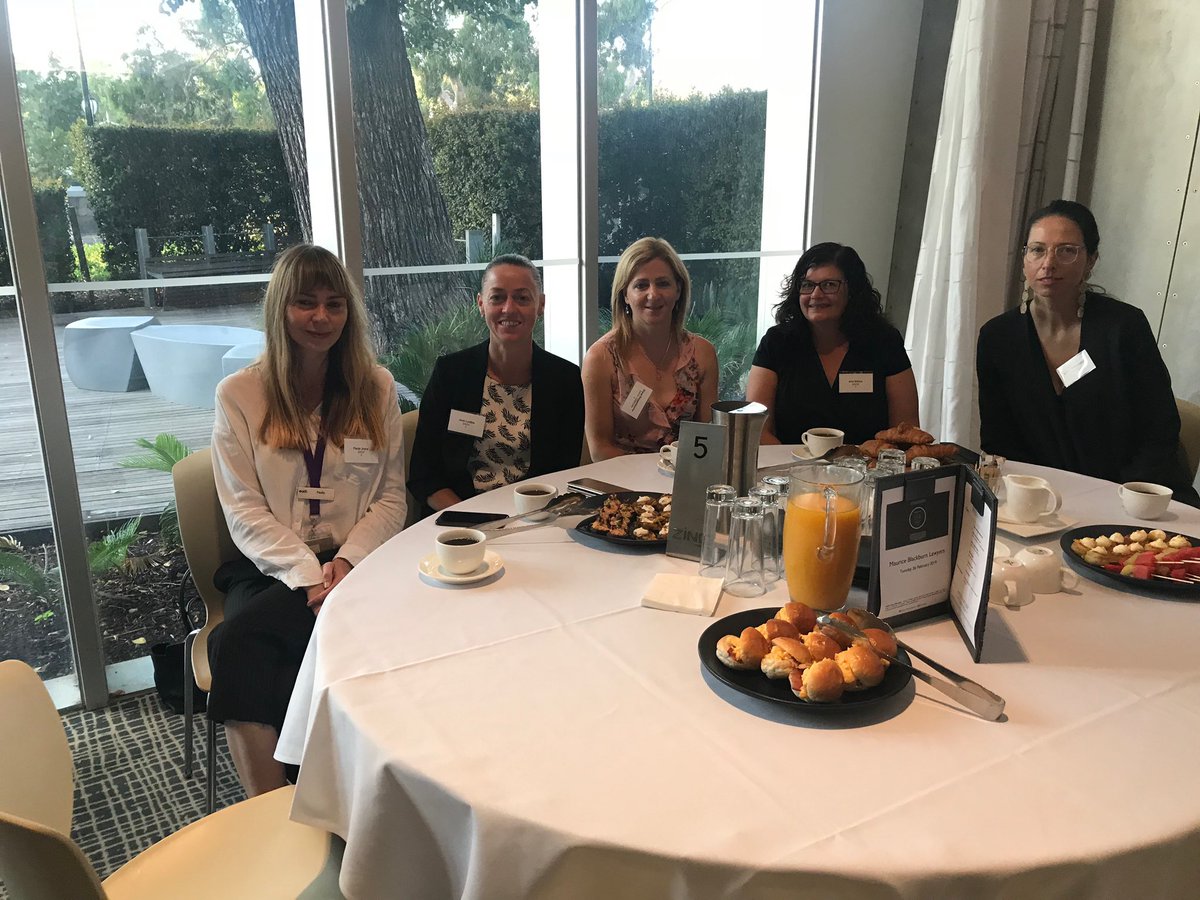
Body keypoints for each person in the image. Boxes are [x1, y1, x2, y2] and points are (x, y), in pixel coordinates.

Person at [208, 244, 407, 796]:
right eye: (305, 303)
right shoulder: (240, 395)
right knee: (241, 641)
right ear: (280, 310)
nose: (321, 318)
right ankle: (269, 807)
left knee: (322, 640)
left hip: (359, 560)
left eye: (334, 304)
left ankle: (341, 791)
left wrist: (345, 561)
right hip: (274, 566)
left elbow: (392, 499)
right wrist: (307, 574)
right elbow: (242, 509)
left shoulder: (376, 387)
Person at [977, 199, 1198, 504]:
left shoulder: (1123, 327)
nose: (1048, 263)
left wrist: (1119, 499)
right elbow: (998, 440)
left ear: (1091, 261)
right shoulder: (997, 337)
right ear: (1024, 258)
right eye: (1037, 249)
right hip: (1043, 498)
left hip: (1135, 495)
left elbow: (1158, 429)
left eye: (1067, 250)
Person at [407, 254, 584, 516]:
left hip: (535, 519)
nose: (509, 308)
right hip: (458, 520)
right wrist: (472, 518)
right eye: (497, 297)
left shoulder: (565, 379)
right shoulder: (451, 374)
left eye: (522, 298)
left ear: (541, 305)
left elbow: (563, 471)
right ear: (481, 304)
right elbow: (424, 474)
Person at [746, 242, 919, 445]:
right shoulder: (777, 343)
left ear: (852, 290)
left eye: (829, 285)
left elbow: (906, 431)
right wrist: (800, 471)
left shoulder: (884, 342)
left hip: (869, 471)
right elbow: (756, 430)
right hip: (790, 471)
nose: (816, 295)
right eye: (807, 285)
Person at [582, 237, 718, 458]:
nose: (653, 294)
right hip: (622, 485)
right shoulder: (601, 358)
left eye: (663, 283)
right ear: (625, 294)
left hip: (686, 481)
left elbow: (709, 442)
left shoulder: (703, 354)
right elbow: (600, 450)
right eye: (641, 285)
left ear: (678, 290)